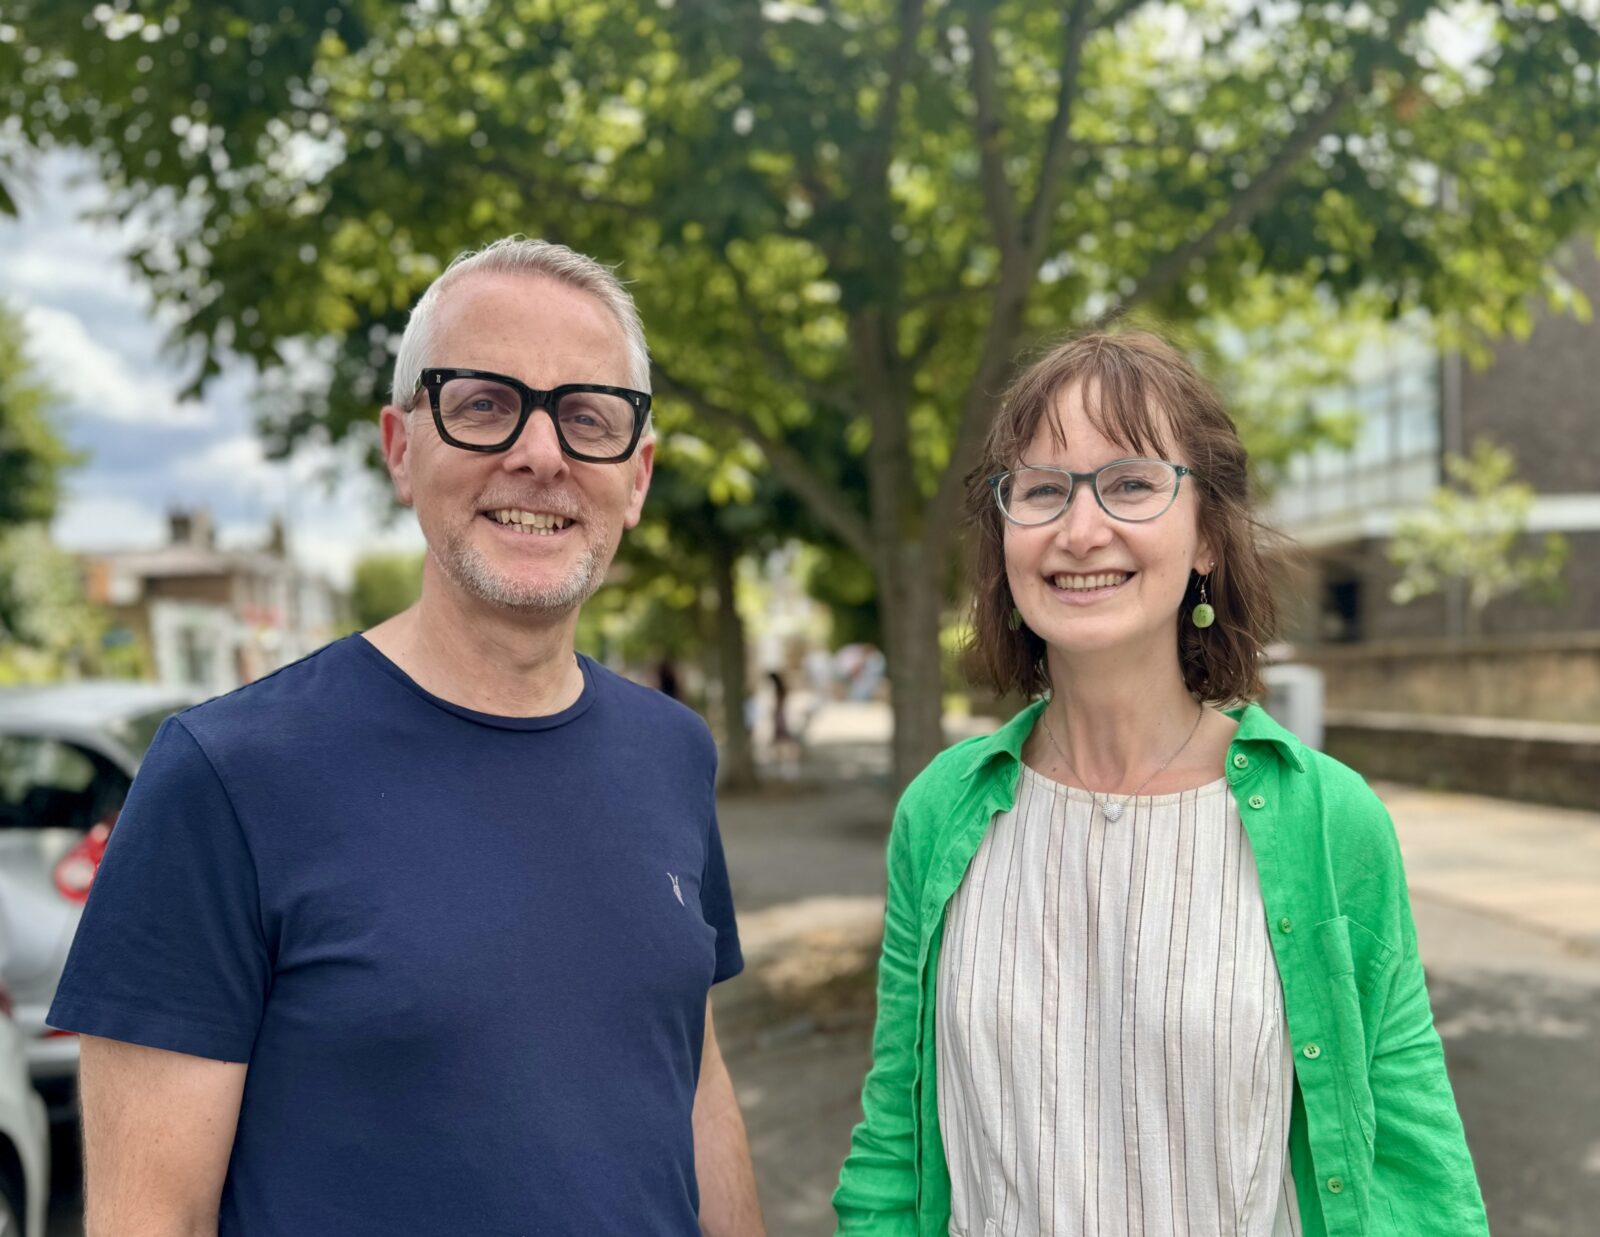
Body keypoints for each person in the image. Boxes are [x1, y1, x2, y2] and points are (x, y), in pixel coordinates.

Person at [49, 238, 765, 1237]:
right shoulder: (226, 777)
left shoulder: (673, 753)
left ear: (635, 476)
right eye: (483, 403)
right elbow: (145, 1217)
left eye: (587, 417)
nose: (540, 453)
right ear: (398, 445)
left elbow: (694, 1086)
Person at [832, 330, 1487, 1236]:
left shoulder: (1333, 820)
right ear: (1005, 533)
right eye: (1042, 489)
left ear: (1208, 534)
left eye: (1132, 482)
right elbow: (895, 1153)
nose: (1079, 527)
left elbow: (1416, 1166)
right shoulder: (940, 812)